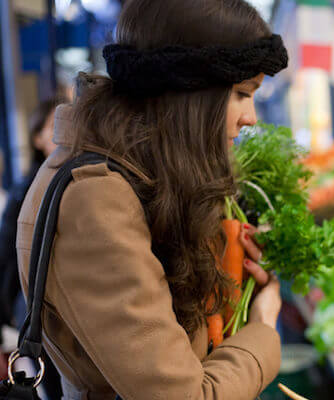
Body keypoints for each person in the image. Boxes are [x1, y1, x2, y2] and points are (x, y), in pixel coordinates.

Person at [15, 0, 287, 398]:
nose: (251, 117)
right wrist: (262, 327)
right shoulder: (95, 196)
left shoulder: (138, 175)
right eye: (242, 93)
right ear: (189, 94)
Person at [0, 97, 65, 399]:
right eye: (54, 128)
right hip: (36, 310)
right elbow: (7, 258)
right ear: (37, 138)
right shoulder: (27, 189)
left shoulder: (78, 183)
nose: (64, 136)